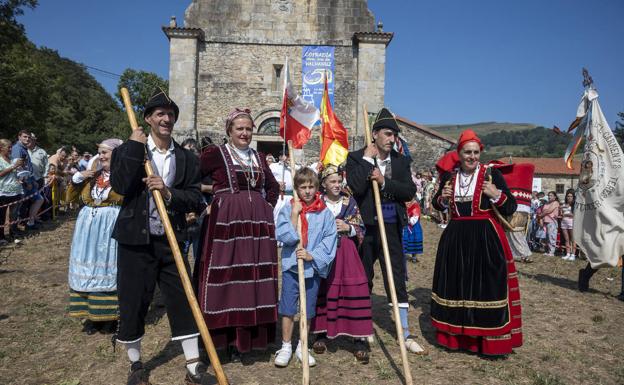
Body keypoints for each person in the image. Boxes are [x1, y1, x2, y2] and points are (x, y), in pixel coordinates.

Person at [110, 88, 210, 385]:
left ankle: (193, 366)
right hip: (135, 240)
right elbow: (120, 184)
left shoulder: (187, 157)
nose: (166, 119)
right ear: (148, 119)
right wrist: (131, 146)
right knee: (134, 301)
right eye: (159, 114)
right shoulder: (129, 150)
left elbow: (194, 198)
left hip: (172, 240)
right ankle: (136, 364)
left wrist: (167, 192)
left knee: (183, 299)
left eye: (170, 114)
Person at [197, 108, 280, 361]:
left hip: (256, 230)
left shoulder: (259, 156)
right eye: (239, 129)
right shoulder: (215, 154)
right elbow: (189, 180)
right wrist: (207, 204)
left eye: (248, 129)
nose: (244, 133)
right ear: (229, 131)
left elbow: (273, 188)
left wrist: (265, 207)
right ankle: (221, 343)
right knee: (227, 282)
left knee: (252, 282)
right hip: (226, 228)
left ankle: (246, 343)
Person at [431, 129, 522, 356]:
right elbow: (437, 205)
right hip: (455, 239)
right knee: (456, 285)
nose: (472, 157)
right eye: (467, 152)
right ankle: (457, 338)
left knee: (486, 287)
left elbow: (510, 207)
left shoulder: (492, 175)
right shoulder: (450, 177)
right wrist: (442, 198)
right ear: (459, 154)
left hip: (486, 239)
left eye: (475, 152)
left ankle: (486, 342)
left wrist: (496, 194)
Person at [345, 107, 426, 354]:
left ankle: (404, 331)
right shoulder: (356, 158)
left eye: (395, 136)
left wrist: (384, 182)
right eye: (388, 134)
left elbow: (409, 191)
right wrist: (369, 160)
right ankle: (361, 331)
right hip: (365, 229)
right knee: (363, 277)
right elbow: (356, 187)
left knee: (397, 276)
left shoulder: (401, 161)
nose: (392, 139)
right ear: (375, 134)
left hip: (391, 227)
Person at [274, 167, 337, 368]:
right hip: (292, 266)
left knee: (307, 308)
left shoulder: (324, 213)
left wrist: (312, 255)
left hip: (313, 268)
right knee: (288, 308)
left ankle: (302, 345)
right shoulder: (288, 208)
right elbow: (283, 236)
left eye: (311, 187)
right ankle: (285, 346)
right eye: (303, 187)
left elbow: (330, 239)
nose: (307, 191)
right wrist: (294, 215)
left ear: (317, 188)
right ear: (297, 189)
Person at [310, 165, 373, 364]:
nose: (337, 185)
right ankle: (321, 333)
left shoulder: (350, 201)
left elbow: (361, 226)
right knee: (324, 288)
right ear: (324, 184)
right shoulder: (317, 202)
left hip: (346, 251)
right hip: (323, 253)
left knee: (353, 290)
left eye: (339, 181)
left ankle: (359, 337)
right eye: (333, 182)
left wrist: (349, 227)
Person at [67, 138, 123, 335]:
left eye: (105, 152)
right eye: (100, 152)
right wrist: (77, 178)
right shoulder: (92, 177)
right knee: (87, 268)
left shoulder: (124, 177)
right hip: (87, 231)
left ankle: (108, 317)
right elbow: (71, 199)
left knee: (107, 268)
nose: (101, 156)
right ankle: (90, 315)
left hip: (109, 230)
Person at [11, 130, 44, 230]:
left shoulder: (24, 148)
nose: (27, 139)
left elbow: (27, 167)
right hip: (22, 182)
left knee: (39, 199)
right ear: (19, 137)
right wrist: (26, 182)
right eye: (25, 137)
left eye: (29, 137)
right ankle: (15, 229)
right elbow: (18, 167)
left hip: (29, 180)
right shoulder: (17, 149)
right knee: (17, 207)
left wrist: (33, 180)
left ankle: (30, 222)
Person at [0, 139, 24, 245]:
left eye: (11, 147)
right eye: (8, 147)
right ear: (1, 148)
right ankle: (1, 237)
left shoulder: (11, 159)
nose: (10, 149)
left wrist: (21, 176)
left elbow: (13, 174)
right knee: (1, 216)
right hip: (3, 192)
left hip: (16, 191)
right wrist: (13, 166)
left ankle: (13, 233)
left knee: (14, 215)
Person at [403, 198, 423, 264]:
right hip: (406, 227)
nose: (407, 202)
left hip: (414, 228)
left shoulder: (415, 207)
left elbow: (413, 221)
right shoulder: (404, 205)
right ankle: (403, 255)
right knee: (405, 241)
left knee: (414, 241)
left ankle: (414, 257)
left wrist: (406, 218)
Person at [540, 191, 560, 257]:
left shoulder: (556, 203)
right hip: (546, 221)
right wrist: (544, 214)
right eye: (549, 195)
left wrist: (542, 214)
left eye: (551, 195)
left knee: (552, 237)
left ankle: (552, 251)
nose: (549, 197)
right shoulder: (546, 203)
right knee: (547, 237)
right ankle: (548, 250)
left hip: (552, 222)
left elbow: (549, 211)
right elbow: (544, 211)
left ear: (555, 197)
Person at [560, 189, 576, 261]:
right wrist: (561, 214)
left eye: (571, 196)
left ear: (573, 197)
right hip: (564, 222)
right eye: (568, 196)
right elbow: (561, 214)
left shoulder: (575, 205)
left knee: (573, 240)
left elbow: (575, 215)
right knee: (566, 239)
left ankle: (573, 254)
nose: (569, 197)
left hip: (572, 223)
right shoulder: (563, 205)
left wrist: (566, 214)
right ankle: (568, 253)